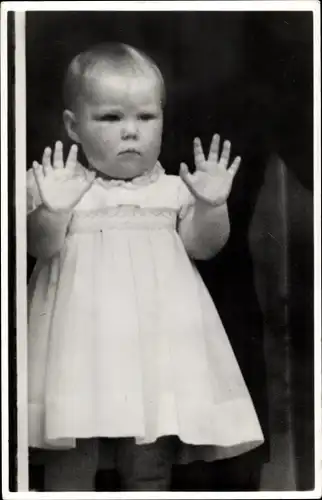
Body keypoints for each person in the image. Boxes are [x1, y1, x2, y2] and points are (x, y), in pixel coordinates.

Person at [27, 41, 264, 492]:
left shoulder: (174, 189)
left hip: (155, 354)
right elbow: (41, 247)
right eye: (111, 118)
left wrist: (211, 204)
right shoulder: (58, 184)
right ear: (73, 127)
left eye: (145, 117)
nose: (131, 132)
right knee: (71, 461)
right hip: (76, 353)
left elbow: (204, 246)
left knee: (150, 461)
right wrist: (52, 212)